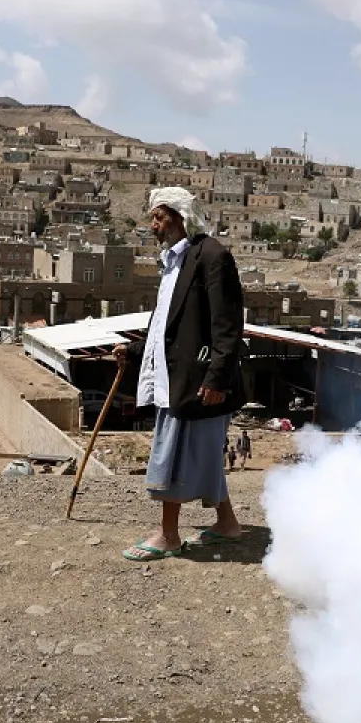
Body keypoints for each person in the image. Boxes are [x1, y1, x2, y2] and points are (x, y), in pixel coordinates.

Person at [115, 187, 247, 562]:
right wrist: (136, 350)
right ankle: (227, 524)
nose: (153, 226)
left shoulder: (212, 257)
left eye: (159, 217)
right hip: (175, 376)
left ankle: (168, 535)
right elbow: (166, 326)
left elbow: (228, 324)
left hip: (196, 381)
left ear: (180, 216)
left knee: (169, 455)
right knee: (203, 454)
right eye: (152, 218)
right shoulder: (173, 263)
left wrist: (218, 378)